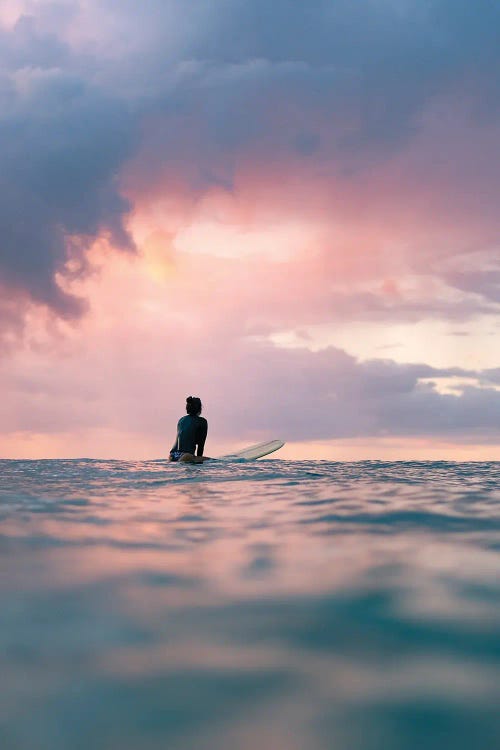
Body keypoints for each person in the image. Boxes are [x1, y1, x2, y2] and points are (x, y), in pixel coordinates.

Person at [169, 396, 209, 463]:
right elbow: (201, 446)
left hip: (172, 455)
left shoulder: (181, 420)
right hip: (186, 456)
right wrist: (200, 464)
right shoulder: (202, 421)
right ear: (200, 409)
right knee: (213, 461)